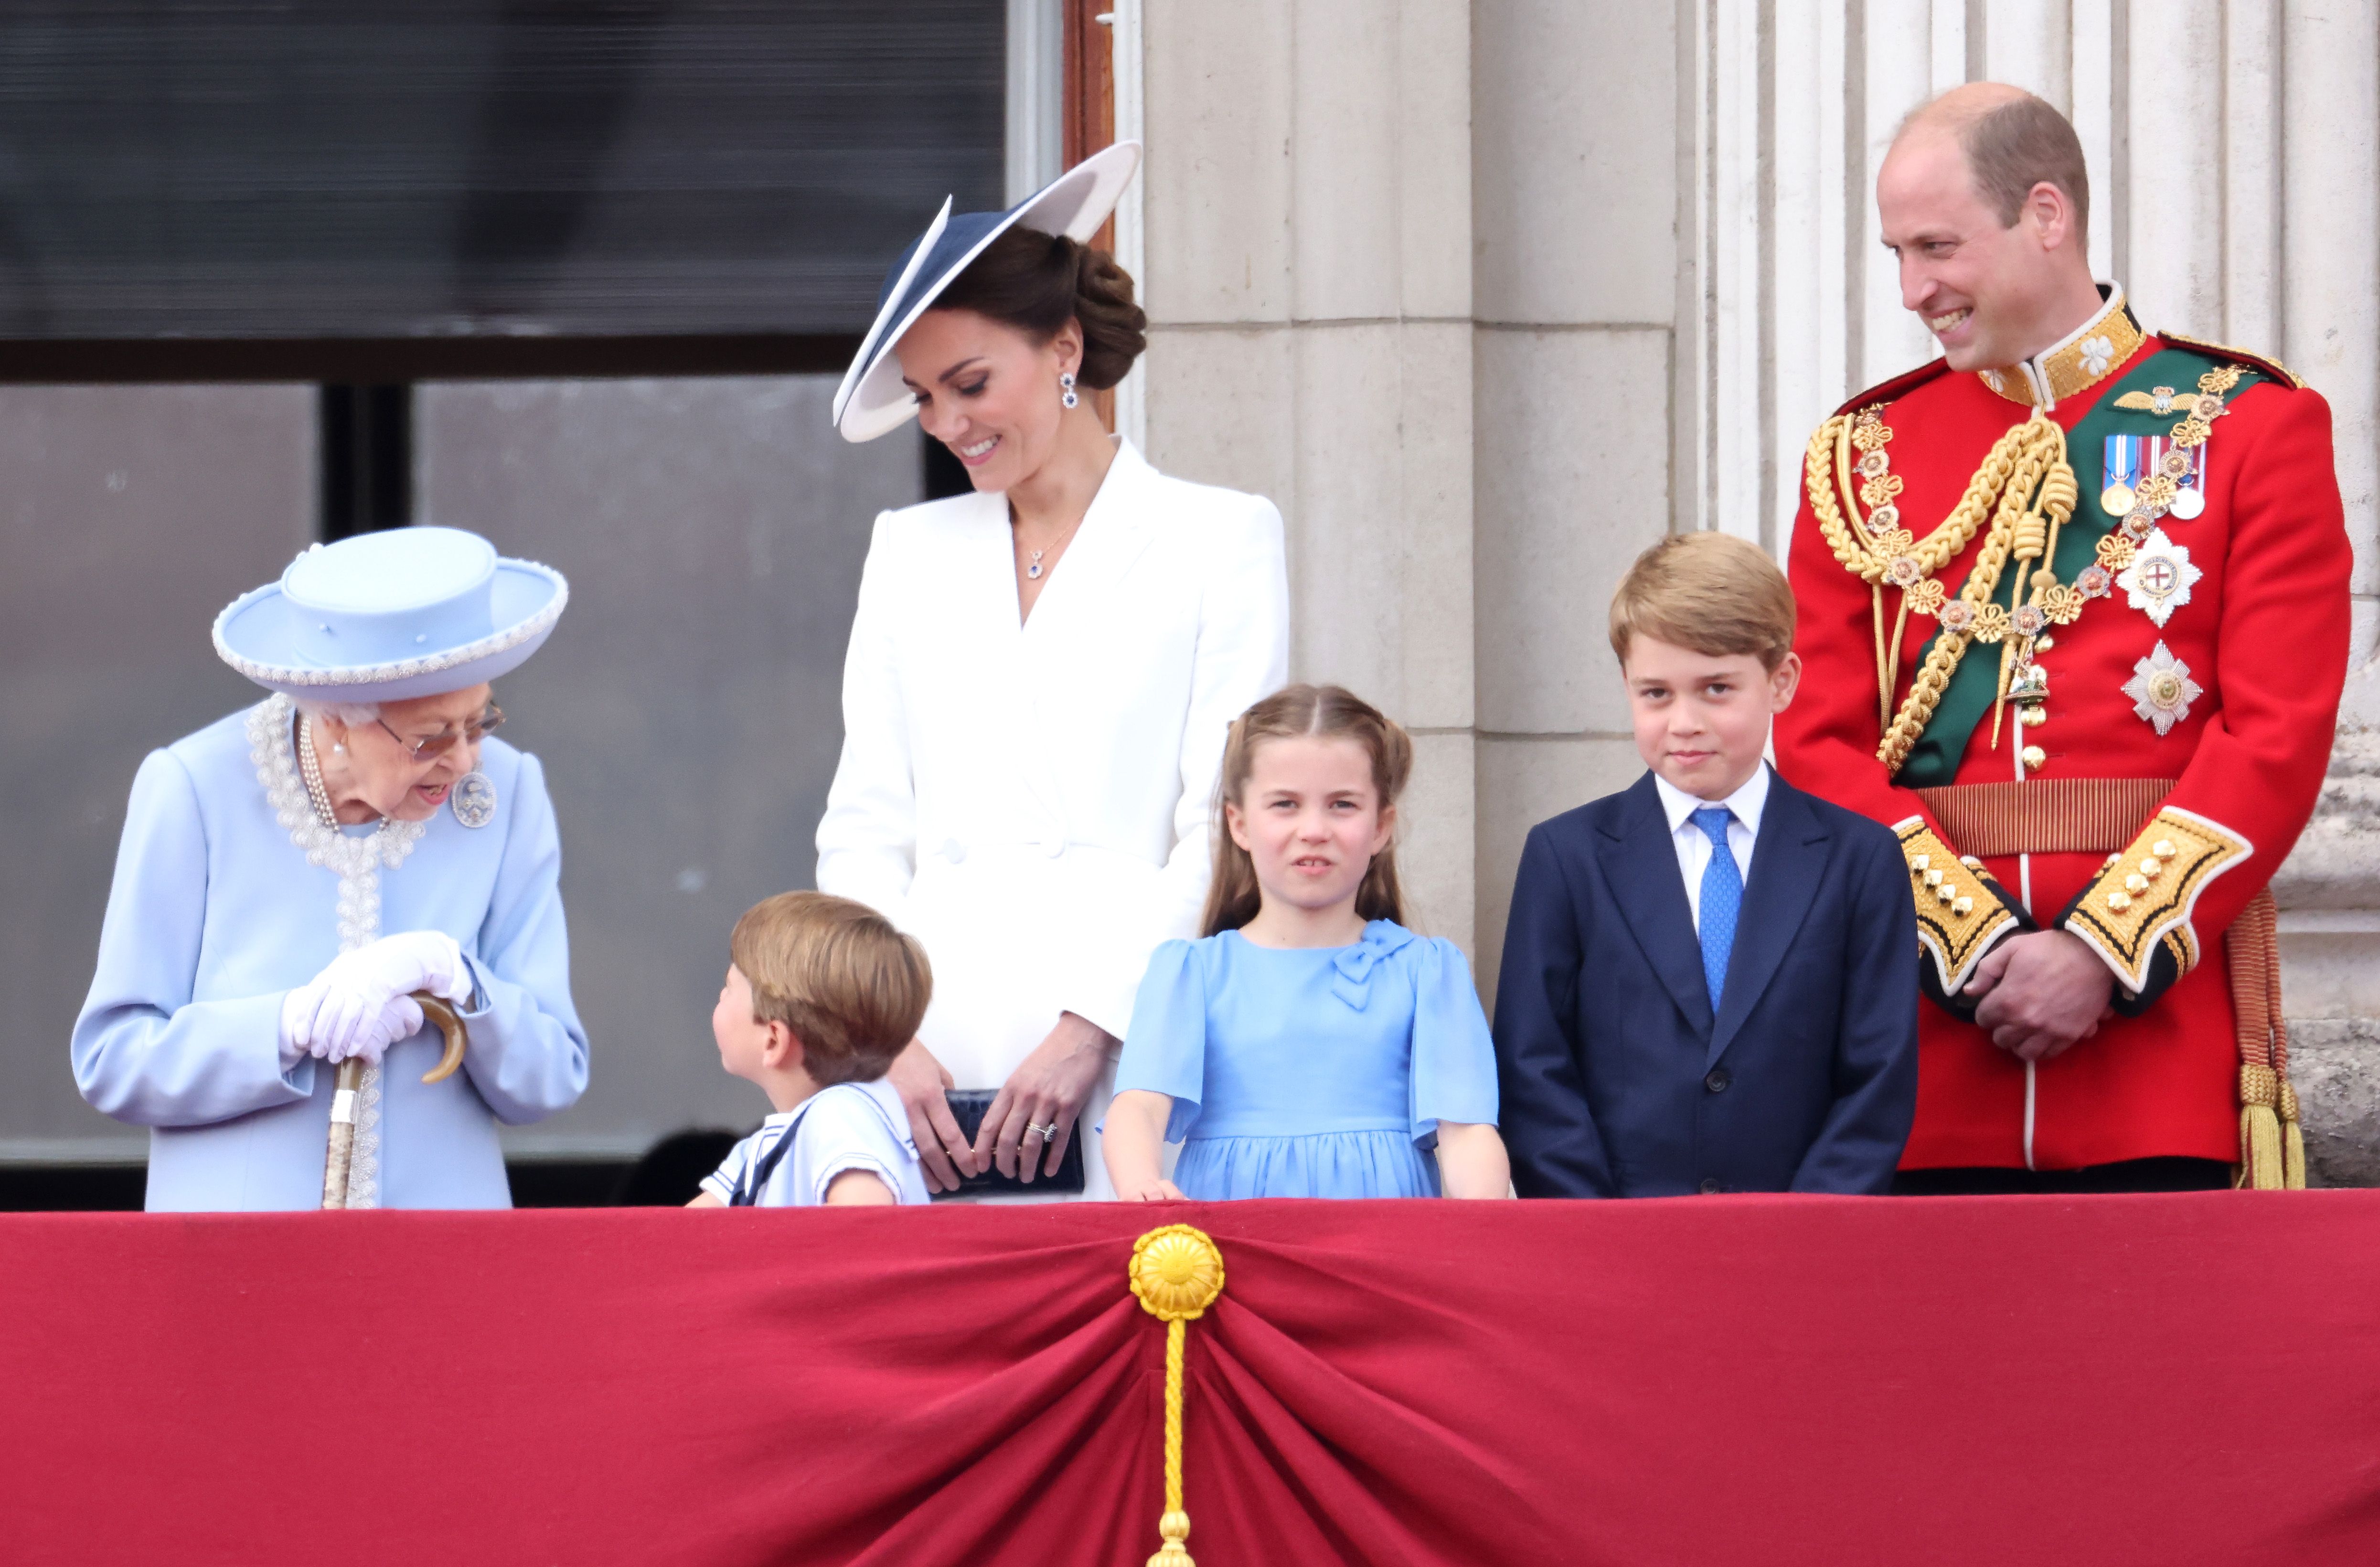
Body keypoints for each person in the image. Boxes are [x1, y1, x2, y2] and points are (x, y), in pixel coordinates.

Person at [1772, 85, 2352, 1194]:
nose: (1911, 290)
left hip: (2155, 1048)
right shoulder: (1859, 458)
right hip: (1922, 1055)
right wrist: (1974, 948)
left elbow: (2272, 735)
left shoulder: (2245, 426)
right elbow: (1812, 740)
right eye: (1895, 252)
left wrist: (2099, 949)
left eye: (1936, 247)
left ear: (2045, 214)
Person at [818, 142, 1290, 1200]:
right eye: (924, 395)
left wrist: (1097, 1024)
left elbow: (1218, 819)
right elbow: (863, 824)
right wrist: (880, 1035)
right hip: (922, 1059)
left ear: (1065, 344)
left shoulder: (1219, 536)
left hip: (1133, 1045)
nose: (946, 424)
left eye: (970, 382)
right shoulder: (907, 546)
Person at [73, 526, 588, 1210]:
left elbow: (551, 1077)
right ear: (335, 719)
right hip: (239, 1265)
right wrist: (286, 1026)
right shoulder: (194, 787)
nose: (465, 761)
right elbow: (113, 1062)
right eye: (432, 736)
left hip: (443, 1267)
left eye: (479, 721)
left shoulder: (508, 793)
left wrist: (459, 981)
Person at [1493, 534, 1919, 1197]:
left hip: (1801, 1245)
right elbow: (1533, 1064)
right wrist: (1598, 1229)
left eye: (1715, 688)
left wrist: (1806, 1230)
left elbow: (1877, 1074)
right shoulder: (1566, 856)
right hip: (1617, 1246)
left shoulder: (1859, 859)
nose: (1683, 721)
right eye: (1655, 694)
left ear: (1781, 683)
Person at [1103, 685, 1509, 1201]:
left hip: (1384, 1247)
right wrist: (1142, 1187)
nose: (1313, 829)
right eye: (1285, 804)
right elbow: (1138, 1104)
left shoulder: (1427, 970)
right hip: (1229, 1247)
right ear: (1240, 823)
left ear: (1382, 825)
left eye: (1342, 804)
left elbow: (1467, 1130)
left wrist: (1482, 1233)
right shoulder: (1192, 971)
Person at [688, 892, 932, 1209]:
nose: (719, 996)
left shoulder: (841, 1114)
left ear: (773, 1040)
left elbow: (863, 1222)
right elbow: (681, 1235)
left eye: (729, 987)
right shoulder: (762, 1148)